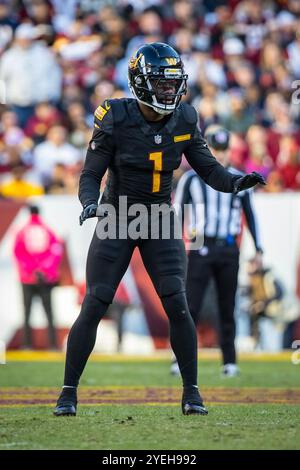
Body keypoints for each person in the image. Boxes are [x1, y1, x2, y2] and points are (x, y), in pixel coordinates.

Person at [53, 42, 265, 417]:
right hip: (119, 214)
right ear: (139, 81)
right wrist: (90, 201)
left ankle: (192, 393)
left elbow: (208, 169)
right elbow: (91, 172)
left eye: (172, 83)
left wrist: (234, 183)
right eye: (161, 83)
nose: (169, 90)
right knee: (96, 301)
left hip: (159, 218)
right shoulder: (114, 115)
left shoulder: (185, 118)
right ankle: (67, 392)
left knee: (178, 304)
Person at [172, 124, 264, 377]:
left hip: (227, 247)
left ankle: (229, 361)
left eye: (224, 149)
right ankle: (179, 358)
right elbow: (179, 214)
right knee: (190, 305)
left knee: (227, 306)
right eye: (216, 149)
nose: (220, 154)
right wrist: (177, 245)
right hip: (201, 243)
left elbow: (250, 215)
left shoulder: (239, 177)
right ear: (207, 149)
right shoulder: (191, 178)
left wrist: (258, 248)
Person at [13, 205, 63, 349]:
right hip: (45, 278)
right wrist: (44, 269)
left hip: (27, 278)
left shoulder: (22, 231)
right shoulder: (48, 230)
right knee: (49, 313)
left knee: (26, 312)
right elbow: (56, 251)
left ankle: (27, 345)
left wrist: (31, 269)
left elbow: (18, 253)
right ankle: (53, 345)